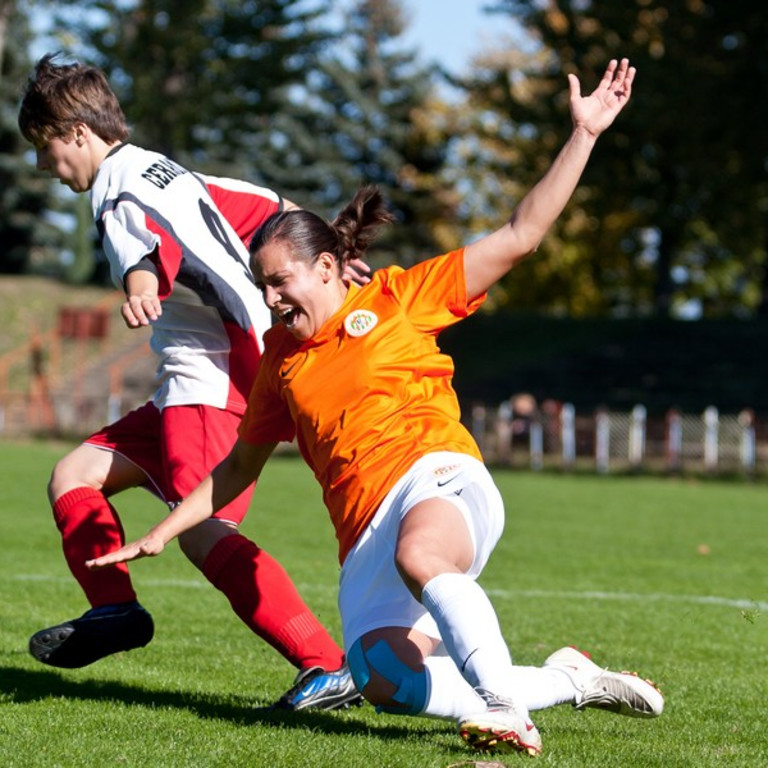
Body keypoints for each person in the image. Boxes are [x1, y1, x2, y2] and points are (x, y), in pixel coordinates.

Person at [88, 59, 664, 756]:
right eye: (262, 287)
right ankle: (570, 680)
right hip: (364, 536)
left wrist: (583, 135)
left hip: (438, 478)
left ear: (326, 268)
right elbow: (237, 466)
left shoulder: (398, 297)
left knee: (423, 554)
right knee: (382, 674)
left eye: (281, 283)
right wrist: (165, 530)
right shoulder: (281, 359)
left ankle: (508, 710)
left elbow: (520, 235)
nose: (270, 300)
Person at [17, 53, 364, 711]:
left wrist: (142, 283)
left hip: (210, 376)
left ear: (78, 134)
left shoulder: (118, 189)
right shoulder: (165, 169)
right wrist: (333, 255)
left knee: (201, 531)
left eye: (45, 148)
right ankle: (115, 611)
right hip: (205, 375)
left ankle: (326, 665)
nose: (43, 166)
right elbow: (265, 207)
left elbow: (148, 247)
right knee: (74, 476)